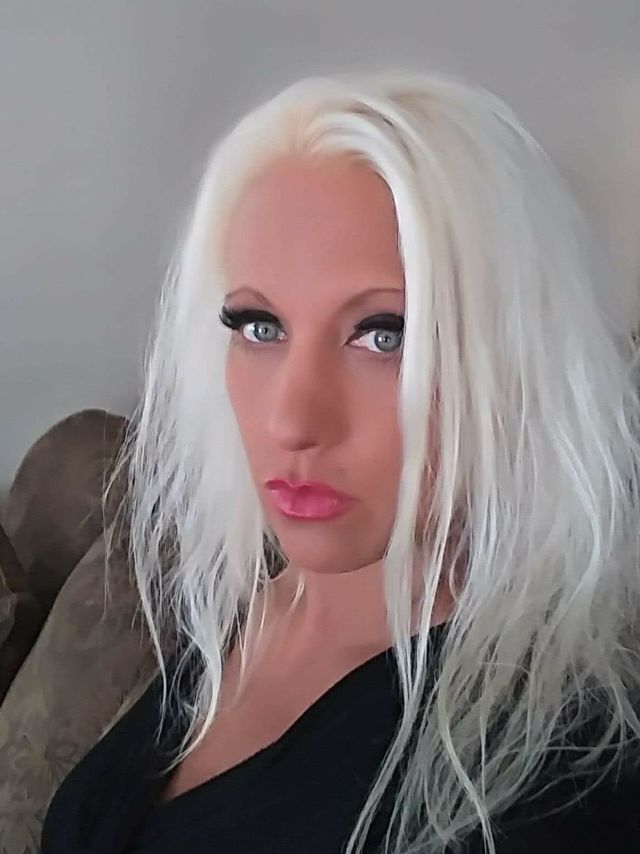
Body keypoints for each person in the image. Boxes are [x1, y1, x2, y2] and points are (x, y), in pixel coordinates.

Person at [40, 69, 640, 854]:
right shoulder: (256, 603)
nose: (291, 420)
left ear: (518, 362)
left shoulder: (554, 777)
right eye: (260, 327)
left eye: (383, 335)